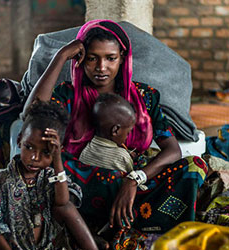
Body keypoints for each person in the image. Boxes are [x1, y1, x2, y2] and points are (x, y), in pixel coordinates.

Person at [24, 19, 208, 234]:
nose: (101, 68)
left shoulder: (144, 96)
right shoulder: (68, 94)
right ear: (80, 60)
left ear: (122, 58)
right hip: (82, 183)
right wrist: (61, 56)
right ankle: (124, 221)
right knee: (49, 165)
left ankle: (109, 222)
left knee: (195, 165)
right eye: (92, 58)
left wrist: (133, 180)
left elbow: (172, 150)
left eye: (110, 58)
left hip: (133, 179)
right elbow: (31, 114)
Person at [0, 101, 128, 250]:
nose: (34, 158)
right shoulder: (3, 180)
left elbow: (63, 203)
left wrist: (57, 161)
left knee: (65, 206)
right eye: (29, 147)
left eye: (45, 152)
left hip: (48, 245)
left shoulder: (50, 176)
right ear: (20, 140)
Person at [79, 93, 137, 173]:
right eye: (128, 132)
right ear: (115, 130)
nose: (128, 136)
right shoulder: (122, 157)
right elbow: (131, 178)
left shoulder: (86, 150)